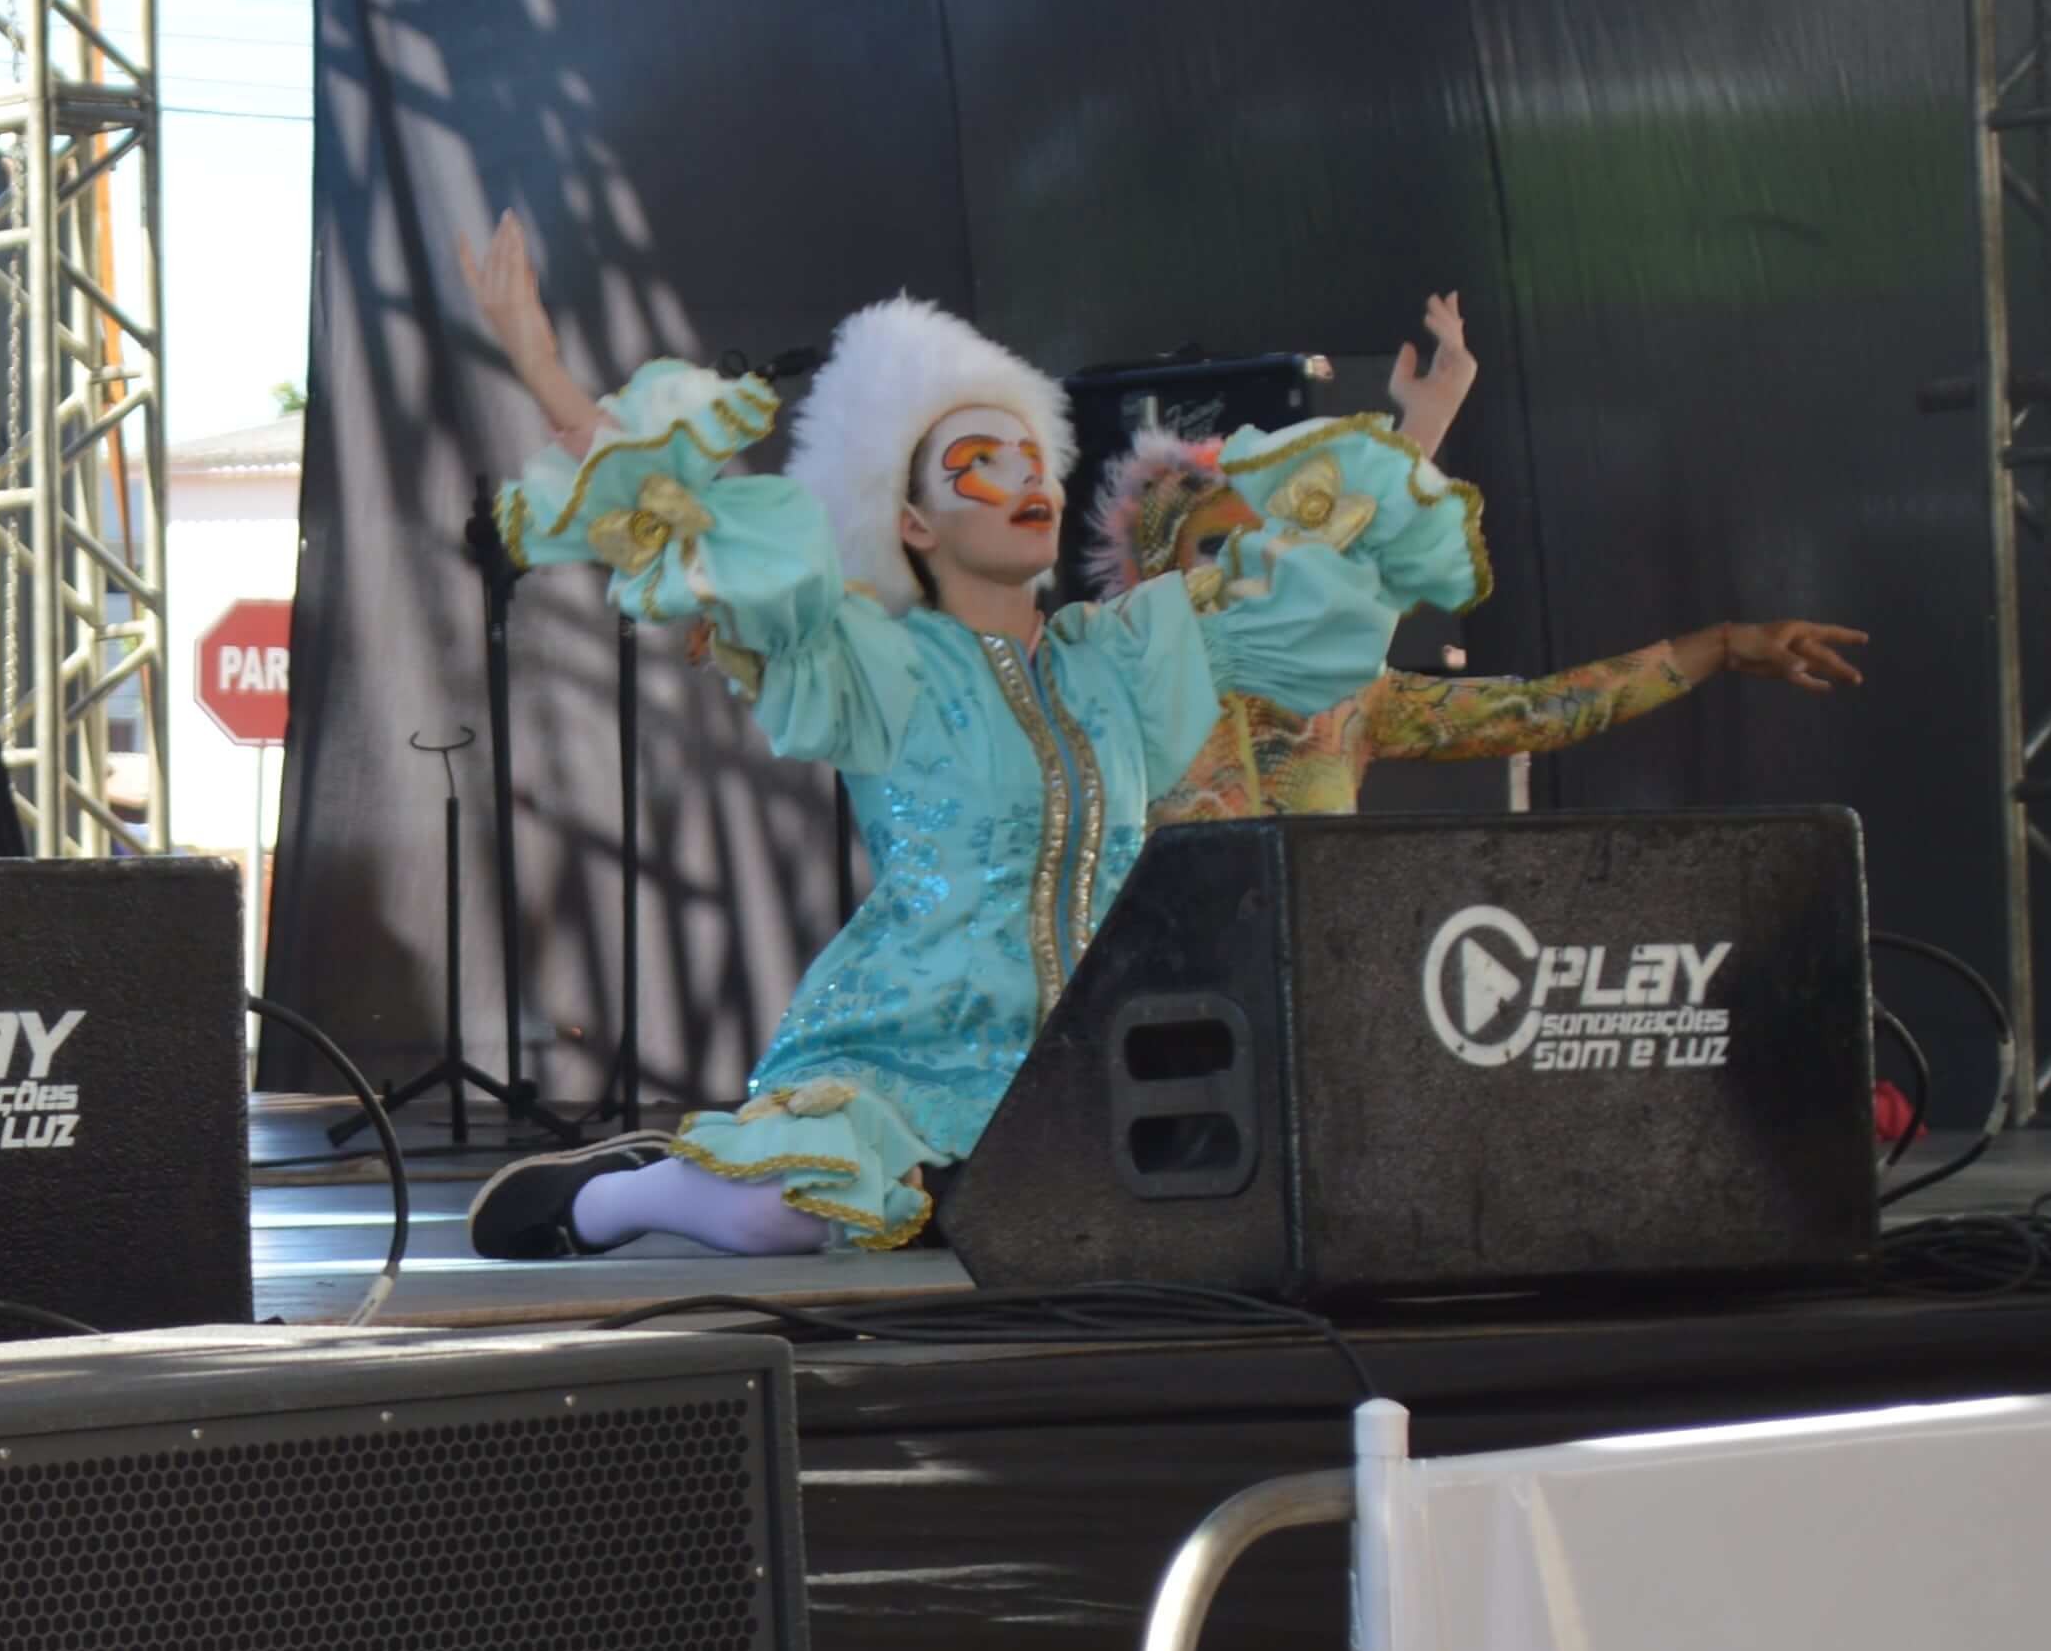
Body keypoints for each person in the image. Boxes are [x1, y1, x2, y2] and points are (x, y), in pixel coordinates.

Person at [450, 214, 1484, 1261]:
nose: (1025, 482)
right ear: (911, 522)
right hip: (904, 1041)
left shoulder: (1125, 654)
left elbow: (1312, 572)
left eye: (1033, 461)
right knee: (787, 1213)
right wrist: (544, 371)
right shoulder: (873, 656)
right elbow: (694, 525)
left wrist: (1423, 426)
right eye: (979, 466)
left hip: (1093, 1048)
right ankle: (625, 1196)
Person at [1076, 300, 1868, 819]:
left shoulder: (1357, 703)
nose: (1266, 555)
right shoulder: (1107, 674)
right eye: (1220, 543)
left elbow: (1546, 711)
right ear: (1157, 568)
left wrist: (1722, 646)